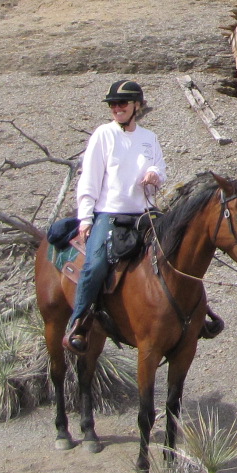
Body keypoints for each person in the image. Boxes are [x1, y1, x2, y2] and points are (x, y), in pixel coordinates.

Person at [64, 79, 167, 354]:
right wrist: (86, 219)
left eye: (122, 103)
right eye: (113, 104)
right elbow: (90, 179)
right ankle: (79, 323)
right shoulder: (103, 135)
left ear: (137, 106)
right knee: (95, 265)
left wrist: (155, 175)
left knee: (177, 248)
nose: (116, 108)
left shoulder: (149, 138)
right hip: (109, 214)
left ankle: (197, 314)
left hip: (145, 214)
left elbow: (161, 168)